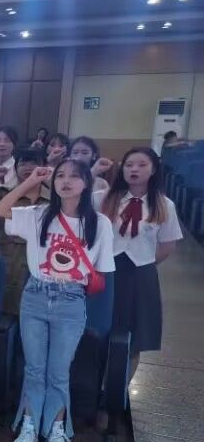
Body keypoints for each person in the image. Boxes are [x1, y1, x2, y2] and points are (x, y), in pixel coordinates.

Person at [0, 159, 115, 442]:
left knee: (59, 371)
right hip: (36, 294)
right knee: (34, 368)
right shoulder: (39, 214)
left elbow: (102, 270)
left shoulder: (99, 223)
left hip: (71, 298)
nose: (66, 181)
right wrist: (30, 181)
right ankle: (29, 425)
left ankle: (56, 429)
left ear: (86, 183)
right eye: (60, 175)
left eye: (74, 176)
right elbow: (0, 209)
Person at [96, 148, 182, 384]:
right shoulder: (104, 198)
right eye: (129, 165)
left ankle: (118, 392)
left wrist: (144, 263)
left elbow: (167, 245)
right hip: (106, 272)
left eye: (142, 165)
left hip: (141, 275)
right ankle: (93, 390)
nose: (134, 169)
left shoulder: (164, 205)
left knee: (133, 339)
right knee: (100, 333)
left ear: (153, 170)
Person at [0, 149, 49, 316]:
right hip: (6, 261)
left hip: (41, 265)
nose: (28, 167)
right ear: (15, 168)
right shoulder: (2, 195)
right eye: (23, 163)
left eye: (34, 163)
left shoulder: (55, 199)